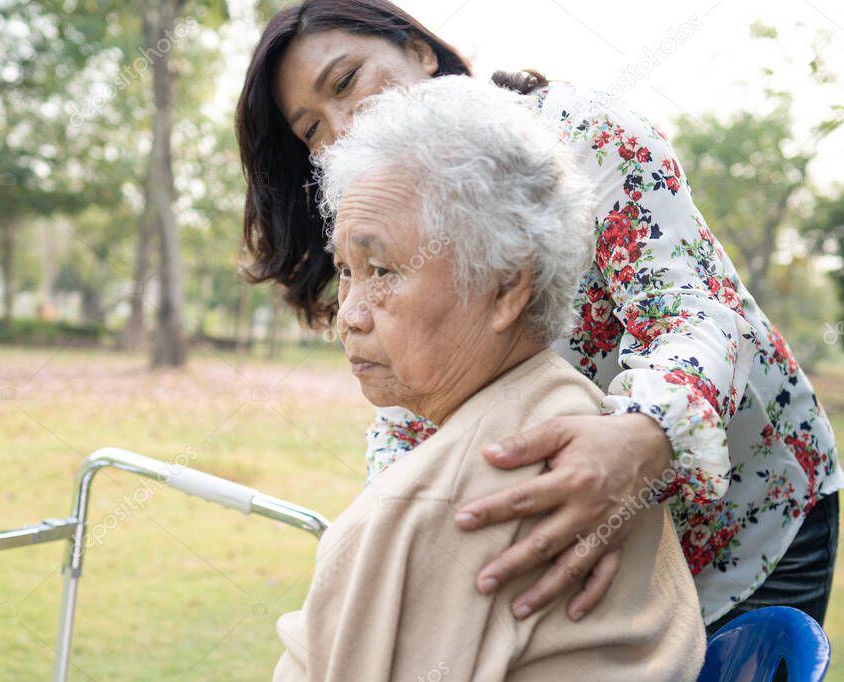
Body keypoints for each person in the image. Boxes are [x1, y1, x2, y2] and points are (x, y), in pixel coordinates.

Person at [236, 0, 842, 634]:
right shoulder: (386, 223)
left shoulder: (583, 135)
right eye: (310, 130)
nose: (342, 124)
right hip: (600, 565)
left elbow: (696, 316)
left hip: (754, 525)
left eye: (347, 80)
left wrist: (646, 435)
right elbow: (413, 409)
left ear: (419, 49)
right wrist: (384, 533)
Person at [272, 75, 705, 681]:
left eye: (384, 269)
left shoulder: (470, 491)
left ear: (506, 286)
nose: (348, 315)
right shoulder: (573, 410)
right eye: (346, 270)